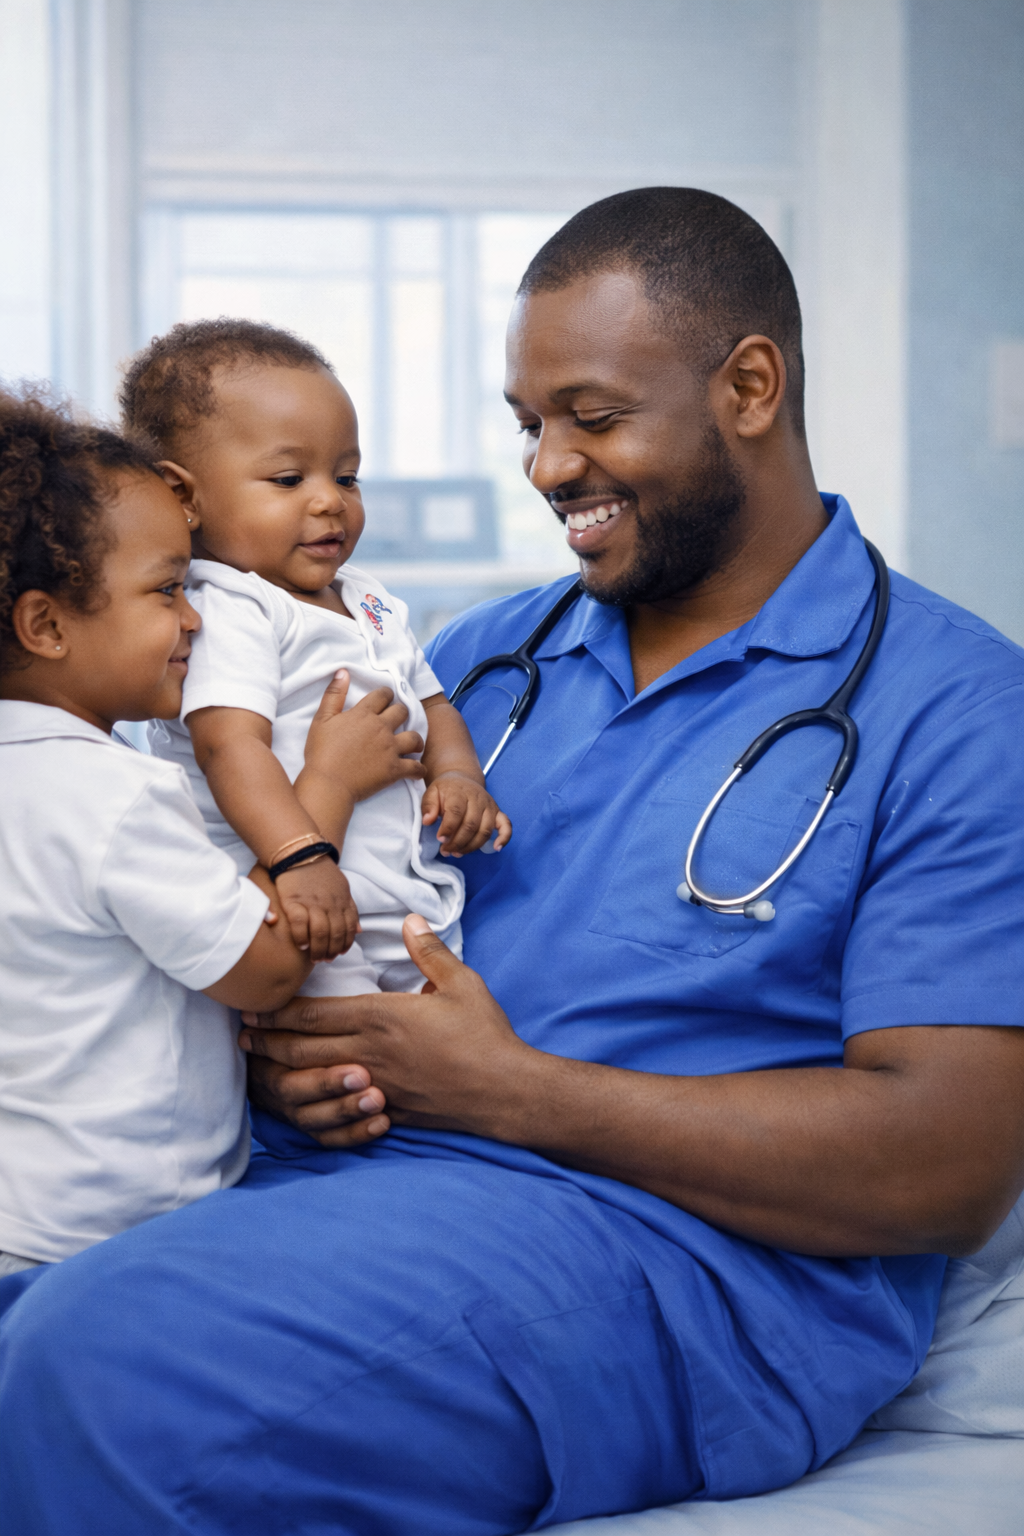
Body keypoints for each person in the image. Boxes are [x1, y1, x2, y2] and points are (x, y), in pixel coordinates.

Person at [1, 188, 1022, 1535]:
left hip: (688, 1262)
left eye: (591, 417)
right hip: (348, 1185)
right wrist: (294, 1057)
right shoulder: (476, 663)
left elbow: (944, 1165)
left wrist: (512, 1093)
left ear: (751, 387)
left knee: (111, 1366)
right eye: (528, 426)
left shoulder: (954, 707)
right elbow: (257, 899)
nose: (546, 467)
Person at [0, 386, 338, 1275]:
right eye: (169, 591)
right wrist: (327, 791)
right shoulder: (110, 796)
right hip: (121, 1237)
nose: (195, 620)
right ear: (45, 624)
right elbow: (265, 969)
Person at [122, 321, 510, 997]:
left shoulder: (368, 598)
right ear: (183, 496)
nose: (330, 499)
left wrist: (459, 777)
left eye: (347, 475)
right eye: (288, 477)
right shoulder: (230, 606)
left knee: (436, 1062)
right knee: (342, 1056)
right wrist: (298, 856)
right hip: (304, 904)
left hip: (408, 902)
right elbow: (229, 748)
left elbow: (433, 703)